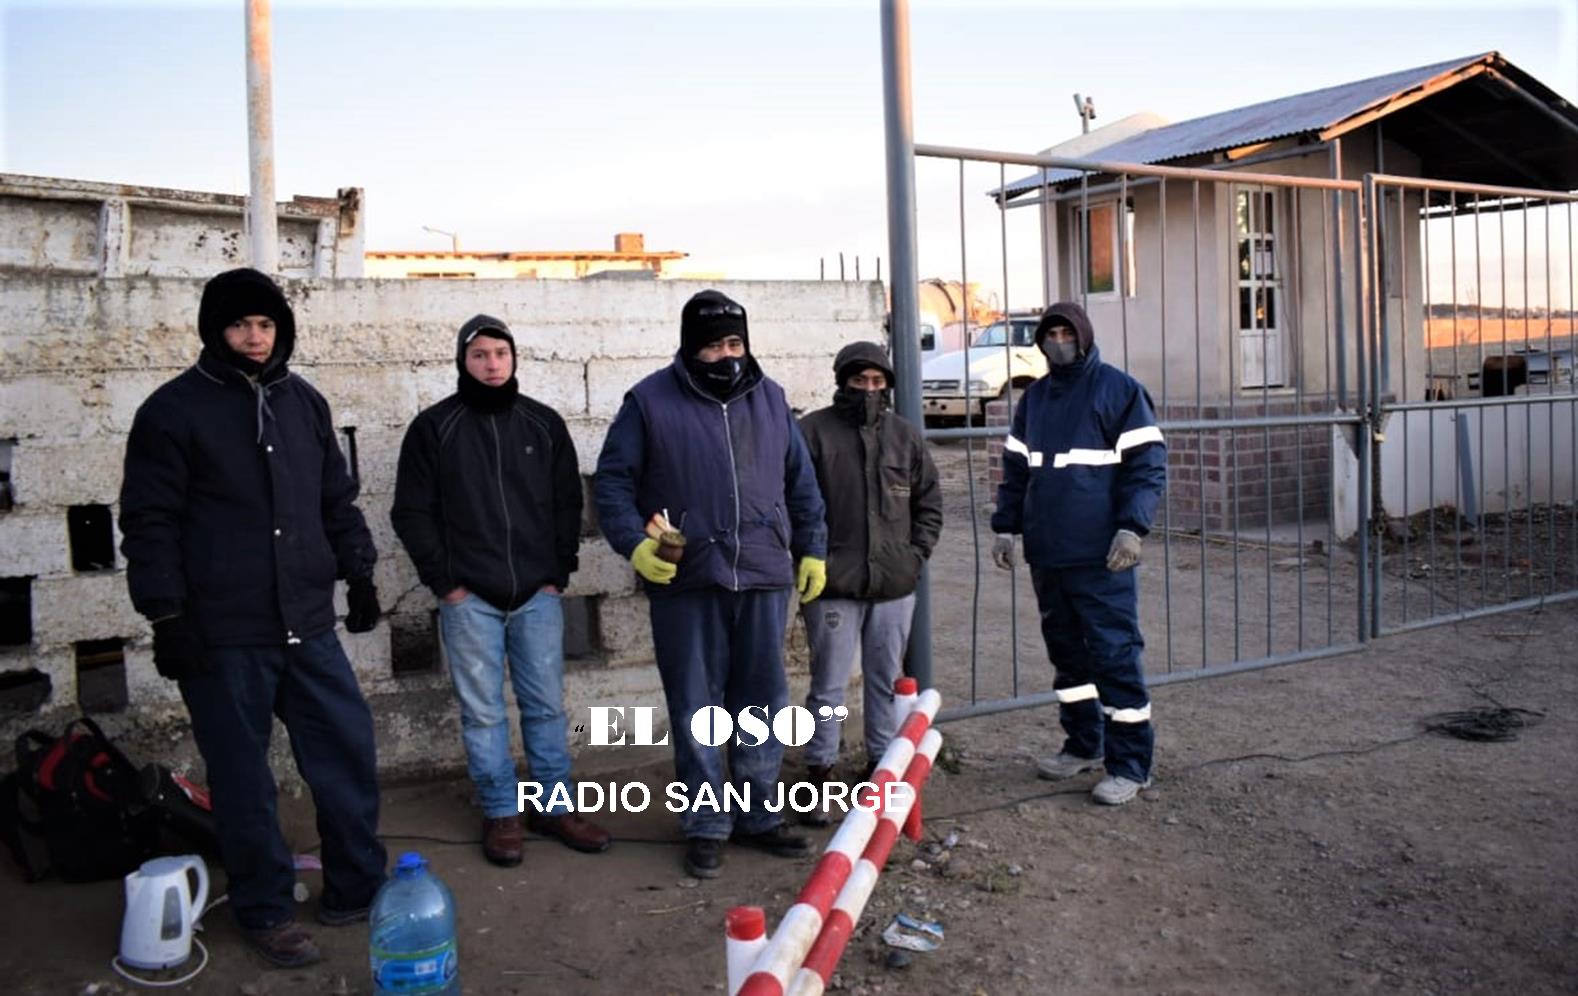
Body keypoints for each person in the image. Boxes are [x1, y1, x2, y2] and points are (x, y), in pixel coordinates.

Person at [118, 267, 386, 968]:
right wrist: (167, 615)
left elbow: (337, 498)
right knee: (242, 778)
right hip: (223, 632)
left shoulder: (305, 404)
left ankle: (356, 883)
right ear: (215, 330)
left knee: (347, 751)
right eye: (240, 325)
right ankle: (265, 908)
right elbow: (149, 521)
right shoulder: (173, 411)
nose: (254, 337)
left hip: (307, 622)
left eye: (265, 324)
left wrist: (358, 572)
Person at [594, 289, 828, 879]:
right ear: (688, 346)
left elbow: (800, 484)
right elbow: (613, 485)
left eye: (733, 343)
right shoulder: (649, 402)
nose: (724, 355)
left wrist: (812, 549)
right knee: (697, 706)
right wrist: (635, 545)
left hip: (763, 574)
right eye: (710, 345)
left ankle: (757, 814)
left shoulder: (771, 399)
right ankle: (705, 822)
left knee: (762, 702)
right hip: (688, 577)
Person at [391, 315, 610, 866]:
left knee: (544, 707)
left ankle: (553, 806)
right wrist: (447, 584)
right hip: (471, 600)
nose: (492, 364)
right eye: (480, 355)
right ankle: (500, 811)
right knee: (482, 712)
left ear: (514, 359)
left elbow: (567, 503)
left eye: (501, 354)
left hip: (536, 595)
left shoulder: (542, 424)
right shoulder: (434, 428)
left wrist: (557, 572)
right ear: (463, 362)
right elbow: (411, 512)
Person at [989, 301, 1166, 806]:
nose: (1059, 340)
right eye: (1051, 333)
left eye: (1067, 332)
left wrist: (1132, 529)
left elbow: (1147, 466)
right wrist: (1008, 529)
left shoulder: (1119, 390)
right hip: (1049, 554)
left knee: (1114, 655)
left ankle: (1131, 764)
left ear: (1083, 336)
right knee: (1068, 659)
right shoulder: (1036, 399)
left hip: (1100, 557)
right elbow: (1017, 470)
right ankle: (1083, 744)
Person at [796, 341, 942, 825]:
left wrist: (914, 556)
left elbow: (929, 503)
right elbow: (794, 502)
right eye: (859, 381)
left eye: (878, 382)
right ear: (843, 382)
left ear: (889, 386)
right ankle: (820, 772)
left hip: (894, 584)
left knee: (883, 681)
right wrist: (810, 558)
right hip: (833, 583)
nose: (869, 389)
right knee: (829, 685)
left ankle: (879, 768)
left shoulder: (905, 436)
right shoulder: (812, 433)